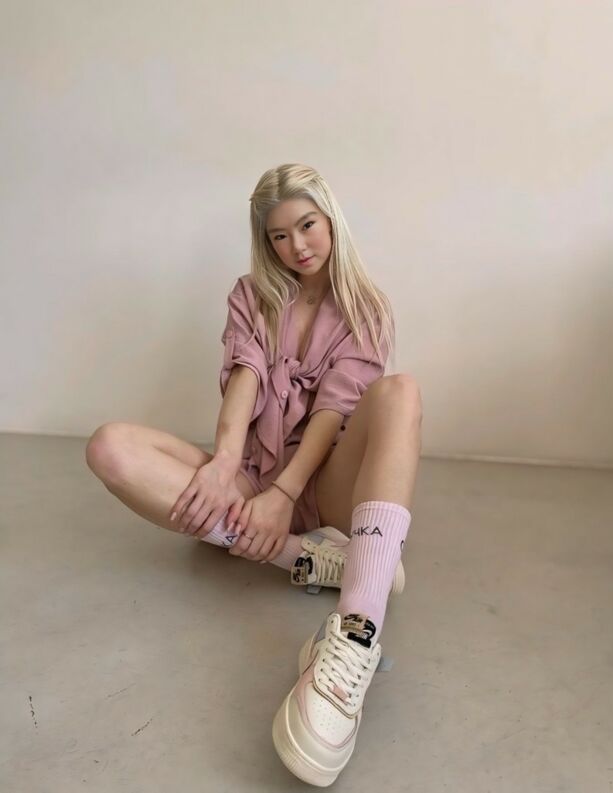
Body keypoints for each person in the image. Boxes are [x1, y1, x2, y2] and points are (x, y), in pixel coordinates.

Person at [85, 162, 422, 786]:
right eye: (279, 236)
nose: (298, 246)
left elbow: (331, 413)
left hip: (324, 485)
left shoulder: (367, 307)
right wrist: (223, 465)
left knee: (401, 393)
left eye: (308, 225)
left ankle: (355, 632)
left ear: (331, 219)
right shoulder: (253, 294)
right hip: (252, 477)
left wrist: (285, 494)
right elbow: (245, 377)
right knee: (111, 448)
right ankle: (303, 558)